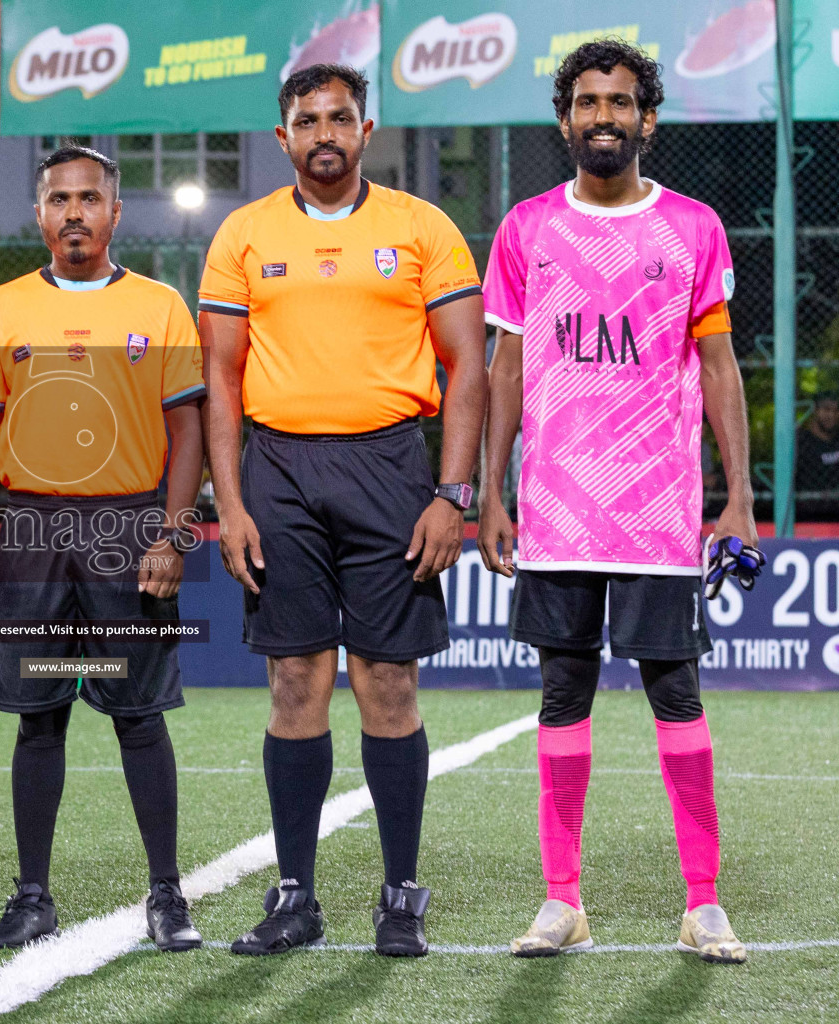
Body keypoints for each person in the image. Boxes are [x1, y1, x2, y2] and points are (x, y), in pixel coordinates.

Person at [200, 63, 487, 957]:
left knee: (388, 683)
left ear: (367, 130)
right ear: (281, 138)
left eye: (340, 118)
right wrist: (231, 504)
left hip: (390, 467)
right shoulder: (243, 235)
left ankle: (402, 892)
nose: (325, 133)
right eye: (306, 120)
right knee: (294, 683)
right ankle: (296, 897)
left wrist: (453, 493)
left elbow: (467, 365)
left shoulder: (421, 227)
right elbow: (220, 376)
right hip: (277, 469)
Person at [478, 40, 753, 964]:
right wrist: (488, 491)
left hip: (658, 512)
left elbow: (718, 369)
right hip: (552, 507)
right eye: (588, 101)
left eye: (622, 102)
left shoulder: (693, 228)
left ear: (649, 119)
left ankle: (703, 903)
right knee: (564, 692)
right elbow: (506, 367)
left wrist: (739, 498)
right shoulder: (524, 229)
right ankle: (563, 902)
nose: (605, 115)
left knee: (676, 689)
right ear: (564, 121)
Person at [0, 146, 208, 951]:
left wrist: (173, 533)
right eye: (59, 198)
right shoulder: (2, 308)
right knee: (40, 717)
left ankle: (167, 895)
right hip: (28, 533)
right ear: (39, 214)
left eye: (88, 198)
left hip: (126, 532)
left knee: (138, 718)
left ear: (115, 212)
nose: (73, 213)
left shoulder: (162, 307)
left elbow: (187, 429)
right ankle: (32, 896)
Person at [796, 393, 839, 493]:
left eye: (836, 410)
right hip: (808, 505)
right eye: (826, 409)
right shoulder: (801, 441)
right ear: (815, 410)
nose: (831, 415)